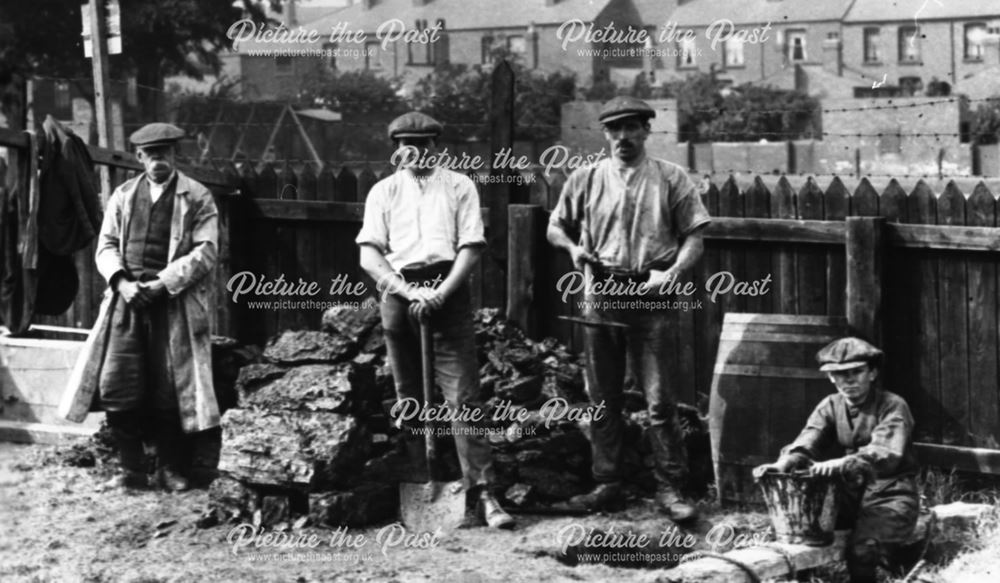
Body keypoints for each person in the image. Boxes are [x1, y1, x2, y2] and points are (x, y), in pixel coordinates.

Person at [547, 96, 711, 522]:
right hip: (601, 296)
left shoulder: (671, 178)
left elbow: (695, 236)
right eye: (614, 129)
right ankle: (607, 484)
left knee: (660, 401)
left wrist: (672, 273)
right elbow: (555, 227)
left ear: (645, 131)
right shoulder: (584, 179)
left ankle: (670, 487)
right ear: (605, 134)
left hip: (652, 296)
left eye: (631, 128)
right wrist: (573, 249)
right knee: (603, 398)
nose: (623, 137)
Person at [355, 111, 514, 529]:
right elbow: (368, 254)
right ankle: (420, 482)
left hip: (449, 293)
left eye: (424, 143)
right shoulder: (383, 192)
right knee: (409, 396)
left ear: (436, 146)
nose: (417, 151)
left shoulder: (460, 185)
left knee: (463, 396)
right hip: (398, 293)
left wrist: (440, 293)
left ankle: (484, 494)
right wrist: (407, 292)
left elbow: (471, 246)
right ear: (396, 148)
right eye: (407, 143)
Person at [95, 122, 220, 491]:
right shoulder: (122, 196)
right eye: (151, 155)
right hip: (127, 305)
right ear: (139, 157)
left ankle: (170, 469)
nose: (158, 161)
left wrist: (163, 283)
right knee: (117, 384)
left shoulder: (196, 197)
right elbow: (105, 245)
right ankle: (131, 469)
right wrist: (122, 282)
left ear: (175, 155)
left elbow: (206, 251)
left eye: (165, 153)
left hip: (171, 306)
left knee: (170, 388)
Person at [753, 337, 919, 583]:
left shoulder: (893, 405)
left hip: (891, 493)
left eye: (856, 372)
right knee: (802, 531)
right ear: (830, 378)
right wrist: (784, 463)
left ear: (872, 374)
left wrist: (843, 463)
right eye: (839, 374)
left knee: (862, 549)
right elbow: (810, 438)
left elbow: (885, 451)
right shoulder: (830, 405)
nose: (848, 380)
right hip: (849, 493)